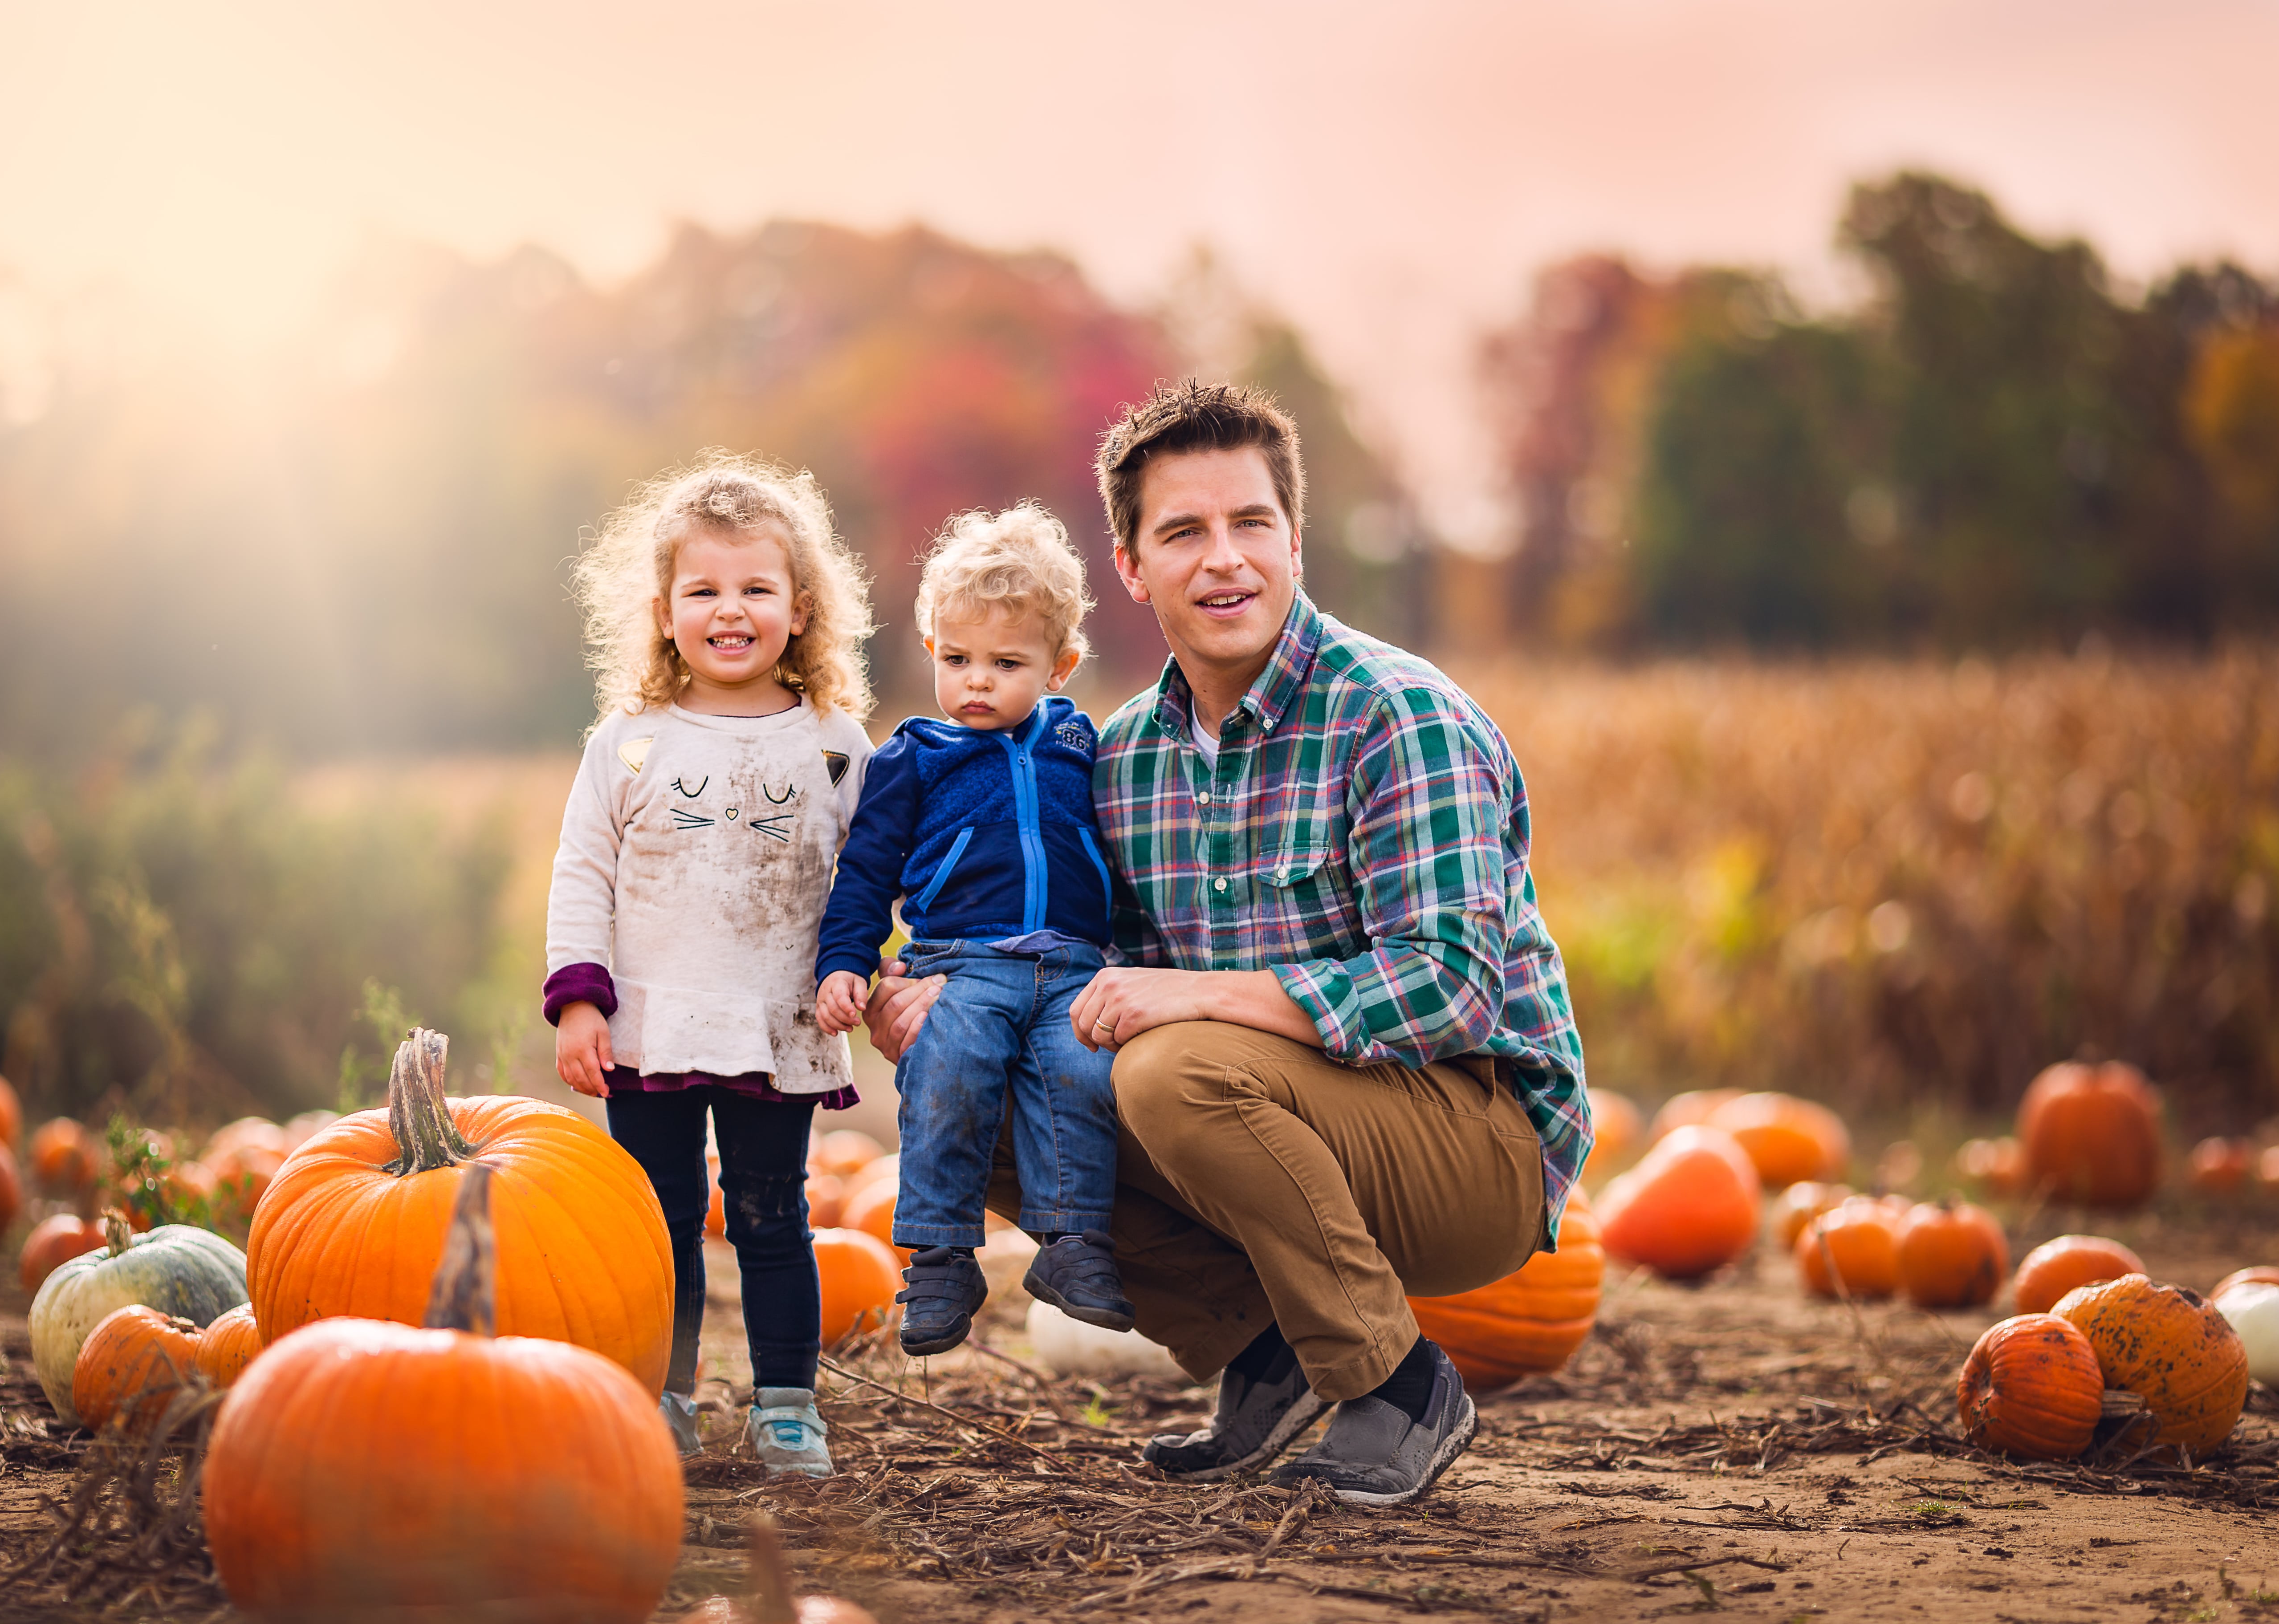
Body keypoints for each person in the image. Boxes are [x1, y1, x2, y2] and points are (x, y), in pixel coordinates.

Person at [866, 381, 1592, 1507]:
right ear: (1131, 566)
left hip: (1471, 1138)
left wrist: (1196, 1000)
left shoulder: (1399, 717)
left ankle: (1400, 1386)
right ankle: (1265, 1352)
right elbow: (1079, 970)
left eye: (1251, 524)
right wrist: (934, 994)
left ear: (1294, 542)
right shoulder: (1118, 759)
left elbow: (1448, 987)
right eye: (1184, 532)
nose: (1225, 561)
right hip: (1274, 1122)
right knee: (978, 1066)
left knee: (1175, 1062)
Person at [542, 452, 876, 1475]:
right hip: (650, 1026)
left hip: (777, 1026)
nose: (730, 612)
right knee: (663, 1225)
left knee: (776, 1219)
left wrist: (863, 966)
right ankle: (668, 1395)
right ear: (663, 608)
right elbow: (582, 873)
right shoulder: (631, 741)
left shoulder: (831, 743)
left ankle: (786, 1404)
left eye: (756, 589)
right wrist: (578, 1003)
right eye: (704, 591)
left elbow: (869, 876)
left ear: (802, 607)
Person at [813, 505, 1131, 1356]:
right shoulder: (914, 756)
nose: (977, 682)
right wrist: (847, 961)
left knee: (1080, 1075)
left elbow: (1118, 851)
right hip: (962, 964)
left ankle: (1071, 1246)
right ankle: (942, 1254)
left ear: (1059, 665)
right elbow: (866, 873)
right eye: (957, 661)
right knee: (949, 1071)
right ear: (931, 652)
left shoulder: (1079, 742)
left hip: (1069, 965)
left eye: (1006, 662)